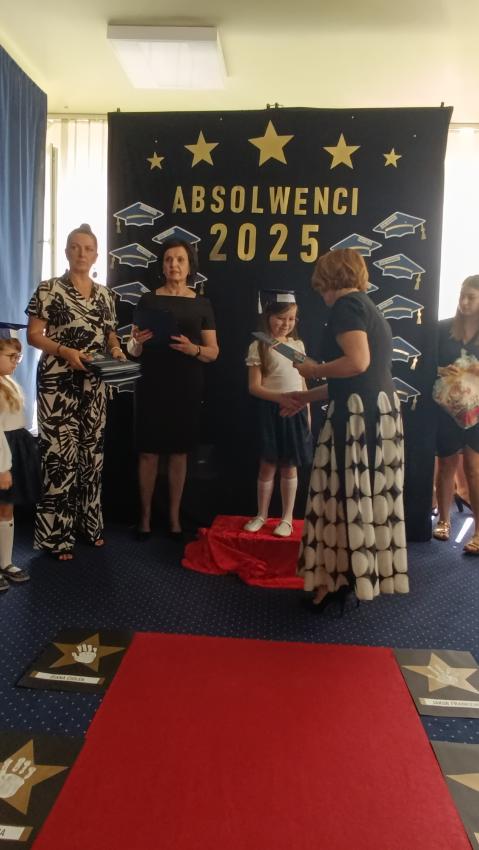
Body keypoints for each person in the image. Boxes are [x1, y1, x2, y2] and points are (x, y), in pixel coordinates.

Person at [282, 248, 409, 609]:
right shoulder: (367, 306)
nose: (319, 290)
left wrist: (312, 371)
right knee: (355, 498)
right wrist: (305, 397)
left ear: (330, 277)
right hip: (371, 413)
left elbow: (356, 363)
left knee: (338, 499)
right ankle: (348, 577)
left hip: (357, 421)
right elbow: (357, 377)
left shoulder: (347, 306)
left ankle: (336, 579)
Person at [26, 223, 126, 560]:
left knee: (91, 459)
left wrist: (116, 350)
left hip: (94, 384)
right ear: (67, 251)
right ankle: (56, 538)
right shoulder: (49, 289)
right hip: (57, 384)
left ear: (96, 255)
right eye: (75, 246)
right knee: (59, 459)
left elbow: (110, 334)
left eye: (88, 248)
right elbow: (34, 335)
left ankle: (89, 526)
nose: (81, 253)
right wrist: (64, 351)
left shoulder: (106, 295)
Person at [127, 239, 219, 540]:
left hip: (186, 385)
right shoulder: (148, 300)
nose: (174, 265)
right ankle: (144, 518)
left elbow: (213, 352)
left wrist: (194, 349)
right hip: (151, 383)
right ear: (162, 265)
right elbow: (133, 349)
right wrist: (136, 342)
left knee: (179, 453)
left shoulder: (201, 303)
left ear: (190, 265)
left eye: (180, 259)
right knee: (148, 453)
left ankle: (175, 519)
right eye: (168, 259)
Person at [243, 290, 312, 537]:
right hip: (270, 413)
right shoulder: (259, 345)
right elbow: (254, 387)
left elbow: (303, 383)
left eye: (291, 319)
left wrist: (308, 413)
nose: (286, 324)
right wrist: (280, 398)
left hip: (295, 412)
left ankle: (287, 518)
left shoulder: (297, 346)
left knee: (289, 467)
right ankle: (261, 515)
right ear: (268, 317)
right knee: (267, 466)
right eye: (281, 318)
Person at [433, 275, 479, 553]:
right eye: (462, 295)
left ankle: (478, 531)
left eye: (471, 297)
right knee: (446, 463)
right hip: (447, 409)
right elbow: (425, 364)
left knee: (474, 468)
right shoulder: (442, 329)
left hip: (477, 413)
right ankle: (443, 520)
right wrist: (441, 370)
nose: (464, 302)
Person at [0, 330, 41, 588]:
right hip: (2, 454)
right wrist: (3, 468)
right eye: (11, 357)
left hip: (14, 448)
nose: (16, 362)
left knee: (7, 508)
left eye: (18, 357)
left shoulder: (8, 383)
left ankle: (5, 562)